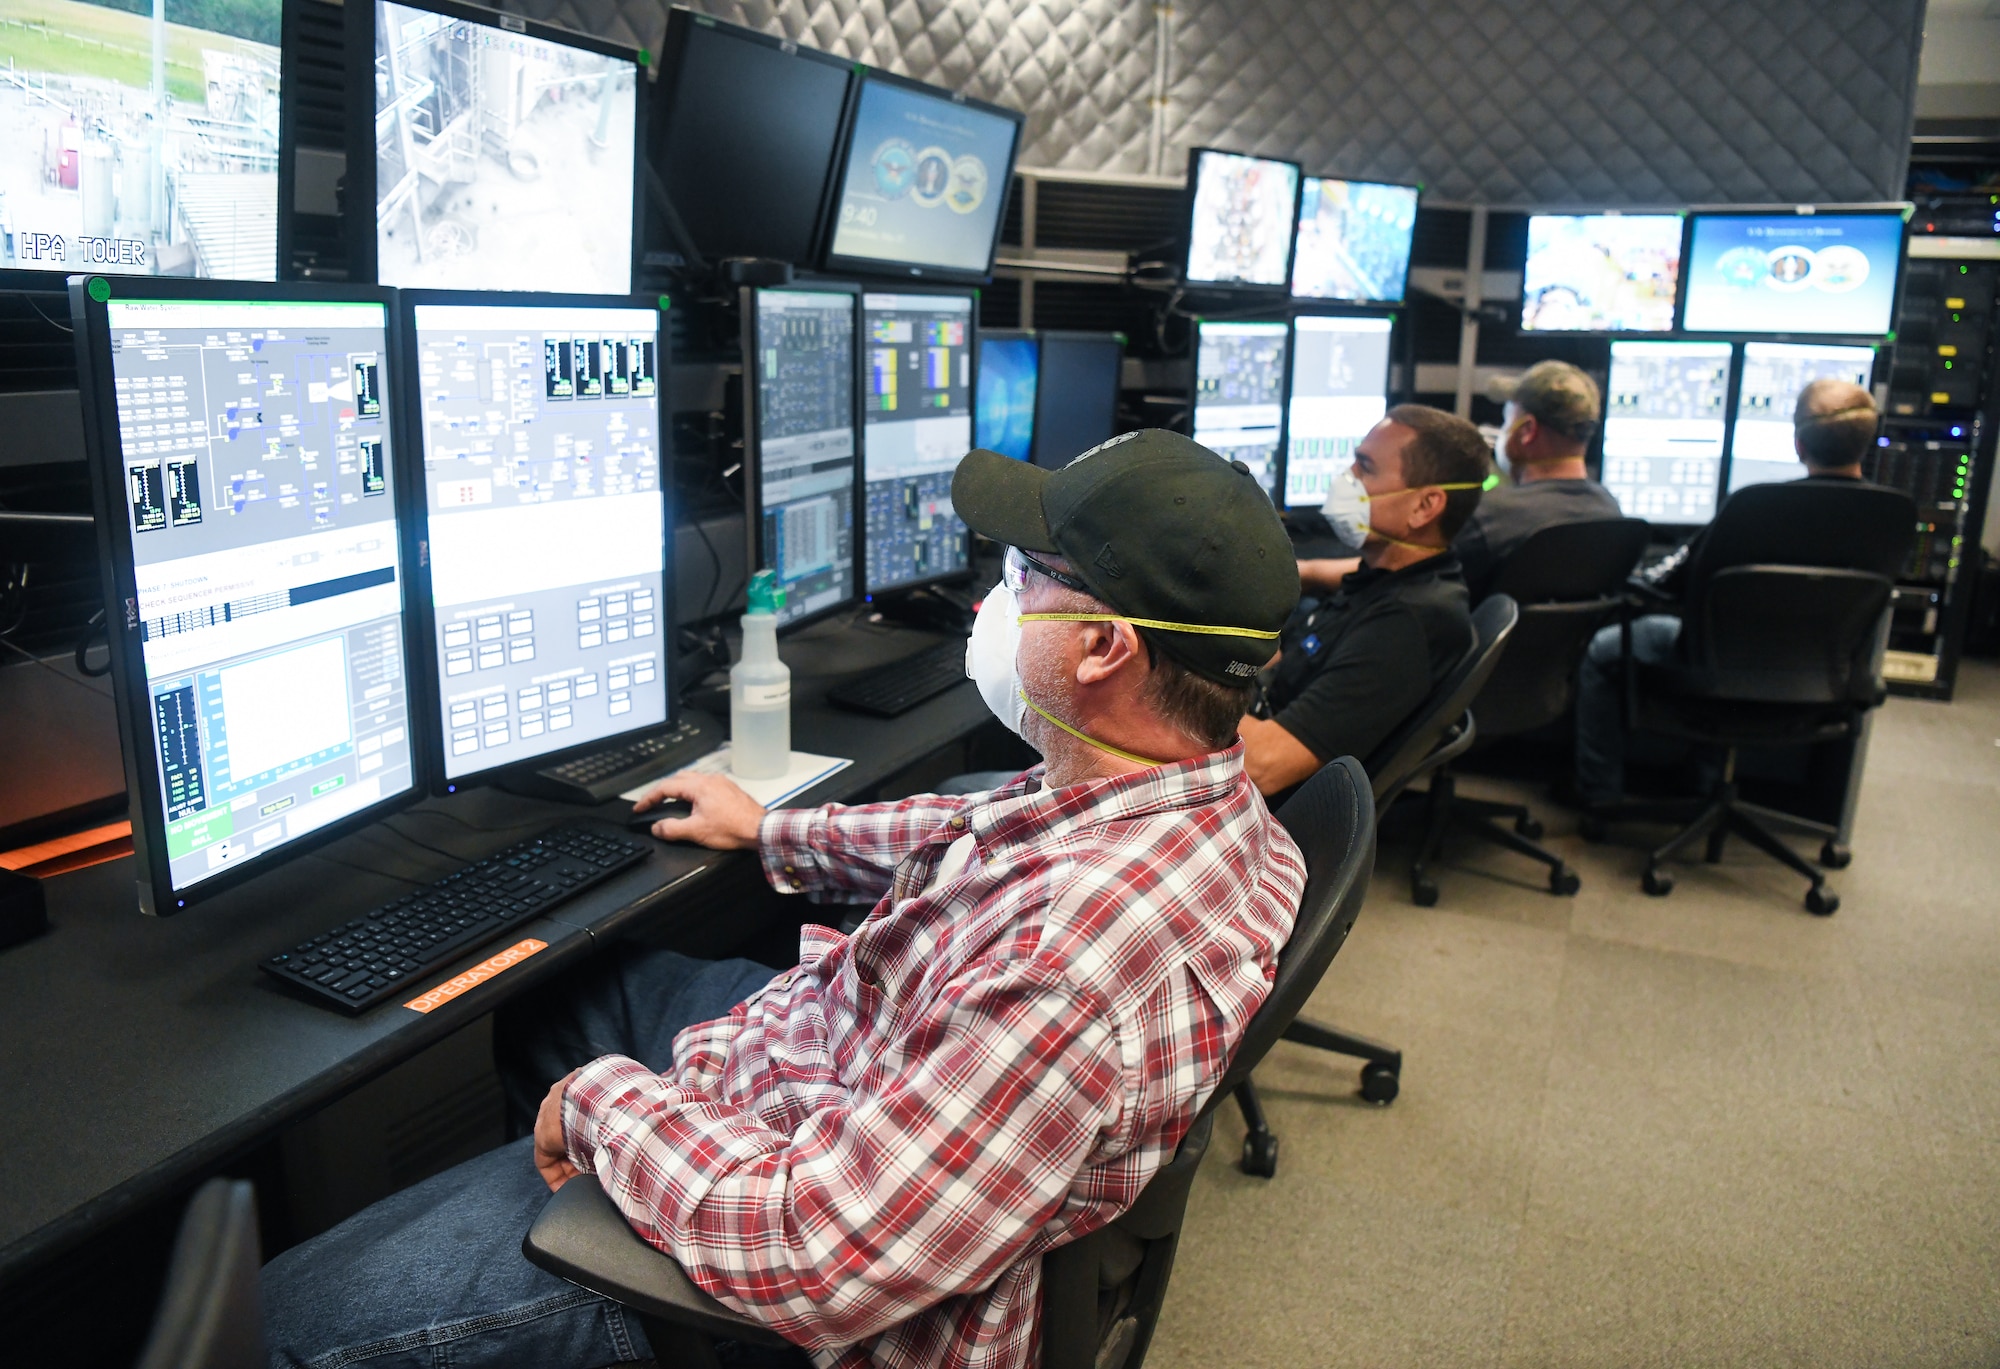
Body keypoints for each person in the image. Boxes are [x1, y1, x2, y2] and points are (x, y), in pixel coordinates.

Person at [261, 430, 1308, 1369]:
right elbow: (975, 827)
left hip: (801, 1284)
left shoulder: (1067, 964)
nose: (997, 598)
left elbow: (819, 1252)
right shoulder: (1193, 800)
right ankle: (529, 1228)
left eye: (1024, 575)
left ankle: (565, 1279)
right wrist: (769, 830)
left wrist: (601, 1107)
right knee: (560, 990)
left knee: (279, 1318)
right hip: (848, 1078)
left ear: (1100, 647)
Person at [1571, 379, 1908, 807]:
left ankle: (1600, 796)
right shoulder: (1894, 515)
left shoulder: (1754, 508)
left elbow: (1661, 583)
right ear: (1868, 443)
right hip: (1821, 678)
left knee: (1604, 649)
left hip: (1716, 675)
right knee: (1735, 642)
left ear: (1799, 444)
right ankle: (1703, 784)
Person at [1240, 404, 1492, 797]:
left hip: (1257, 799)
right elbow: (1336, 572)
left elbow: (1263, 765)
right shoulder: (1403, 575)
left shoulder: (1406, 625)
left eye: (1366, 467)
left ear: (1425, 506)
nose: (1347, 478)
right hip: (1266, 700)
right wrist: (1294, 571)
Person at [1296, 361, 1620, 601]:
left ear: (1527, 431)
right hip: (1541, 684)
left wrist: (1308, 571)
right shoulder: (1610, 512)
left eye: (1507, 420)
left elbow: (1396, 574)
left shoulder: (1493, 518)